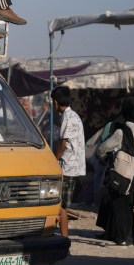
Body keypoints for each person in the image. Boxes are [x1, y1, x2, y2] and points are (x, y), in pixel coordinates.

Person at [95, 97, 134, 246]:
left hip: (121, 173)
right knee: (128, 205)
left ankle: (122, 238)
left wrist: (101, 155)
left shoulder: (121, 130)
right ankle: (129, 236)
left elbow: (103, 148)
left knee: (118, 205)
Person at [52, 85, 86, 236]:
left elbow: (63, 144)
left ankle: (64, 238)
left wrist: (53, 161)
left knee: (61, 206)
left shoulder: (67, 117)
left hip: (68, 168)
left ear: (55, 102)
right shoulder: (74, 116)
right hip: (74, 166)